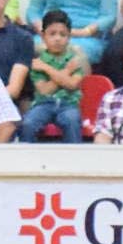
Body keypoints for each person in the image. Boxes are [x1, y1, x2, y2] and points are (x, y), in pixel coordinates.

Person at [19, 10, 92, 145]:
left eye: (62, 34)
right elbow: (44, 90)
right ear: (43, 36)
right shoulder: (38, 62)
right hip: (43, 104)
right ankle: (25, 157)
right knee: (28, 123)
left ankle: (75, 157)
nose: (57, 39)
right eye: (52, 34)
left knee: (72, 120)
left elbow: (72, 85)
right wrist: (66, 73)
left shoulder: (74, 60)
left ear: (69, 37)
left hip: (68, 104)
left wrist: (47, 69)